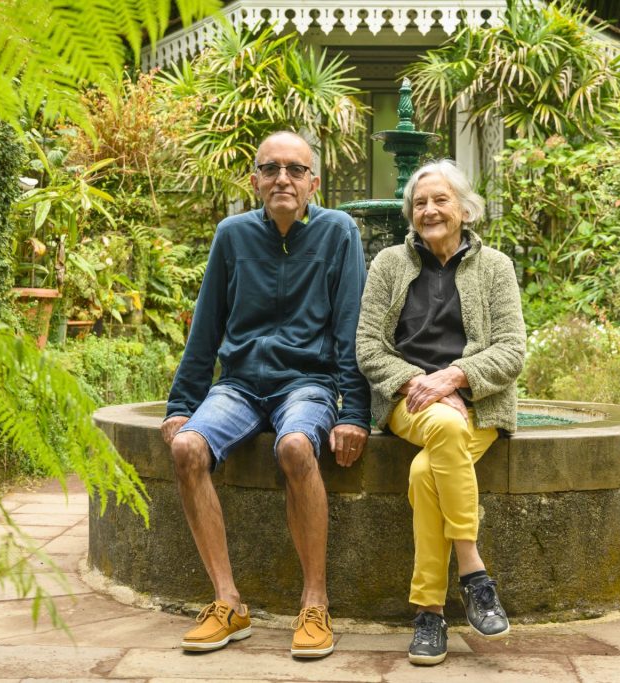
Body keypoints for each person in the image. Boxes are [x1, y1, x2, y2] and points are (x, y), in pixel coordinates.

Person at [161, 131, 371, 659]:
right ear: (254, 181)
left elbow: (351, 328)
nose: (283, 178)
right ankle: (228, 603)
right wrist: (181, 405)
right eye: (271, 169)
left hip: (308, 383)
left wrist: (356, 413)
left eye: (295, 170)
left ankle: (315, 603)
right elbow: (206, 327)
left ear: (313, 183)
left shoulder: (338, 232)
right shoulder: (231, 236)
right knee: (186, 447)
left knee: (296, 447)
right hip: (240, 385)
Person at [356, 159, 526, 666]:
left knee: (425, 470)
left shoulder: (495, 267)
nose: (429, 210)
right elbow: (368, 346)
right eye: (420, 203)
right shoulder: (388, 263)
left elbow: (513, 350)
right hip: (409, 401)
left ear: (465, 209)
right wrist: (418, 381)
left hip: (476, 404)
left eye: (440, 200)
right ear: (411, 213)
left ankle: (429, 612)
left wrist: (455, 377)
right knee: (446, 427)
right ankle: (474, 572)